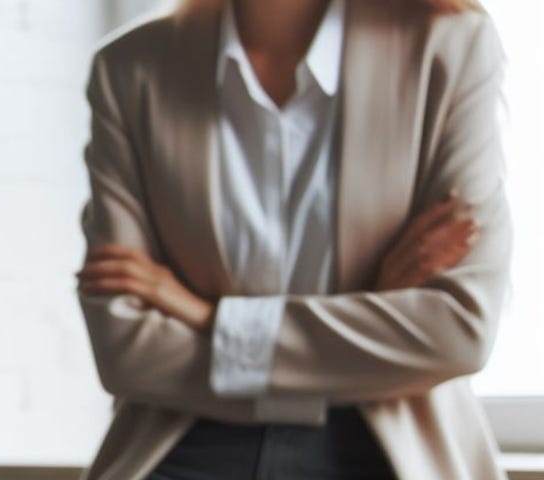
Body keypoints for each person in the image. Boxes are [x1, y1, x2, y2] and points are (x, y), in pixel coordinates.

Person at [76, 0, 509, 478]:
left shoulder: (449, 46)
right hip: (184, 443)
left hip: (387, 443)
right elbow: (126, 351)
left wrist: (209, 319)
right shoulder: (131, 66)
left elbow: (458, 329)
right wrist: (375, 312)